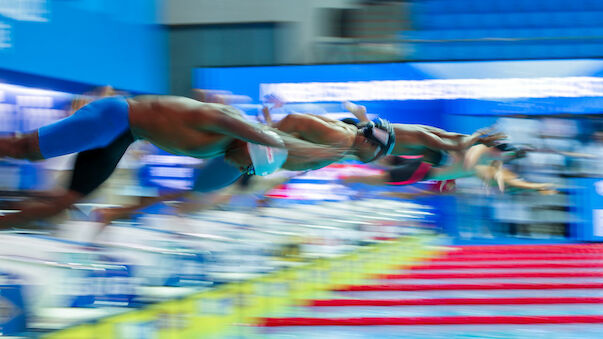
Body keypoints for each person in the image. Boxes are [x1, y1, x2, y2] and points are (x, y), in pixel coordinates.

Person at [0, 93, 343, 228]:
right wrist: (295, 144)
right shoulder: (221, 119)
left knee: (64, 203)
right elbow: (242, 126)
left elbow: (266, 144)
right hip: (113, 117)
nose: (242, 171)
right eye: (248, 165)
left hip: (124, 137)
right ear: (249, 146)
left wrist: (306, 155)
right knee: (22, 149)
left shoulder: (230, 149)